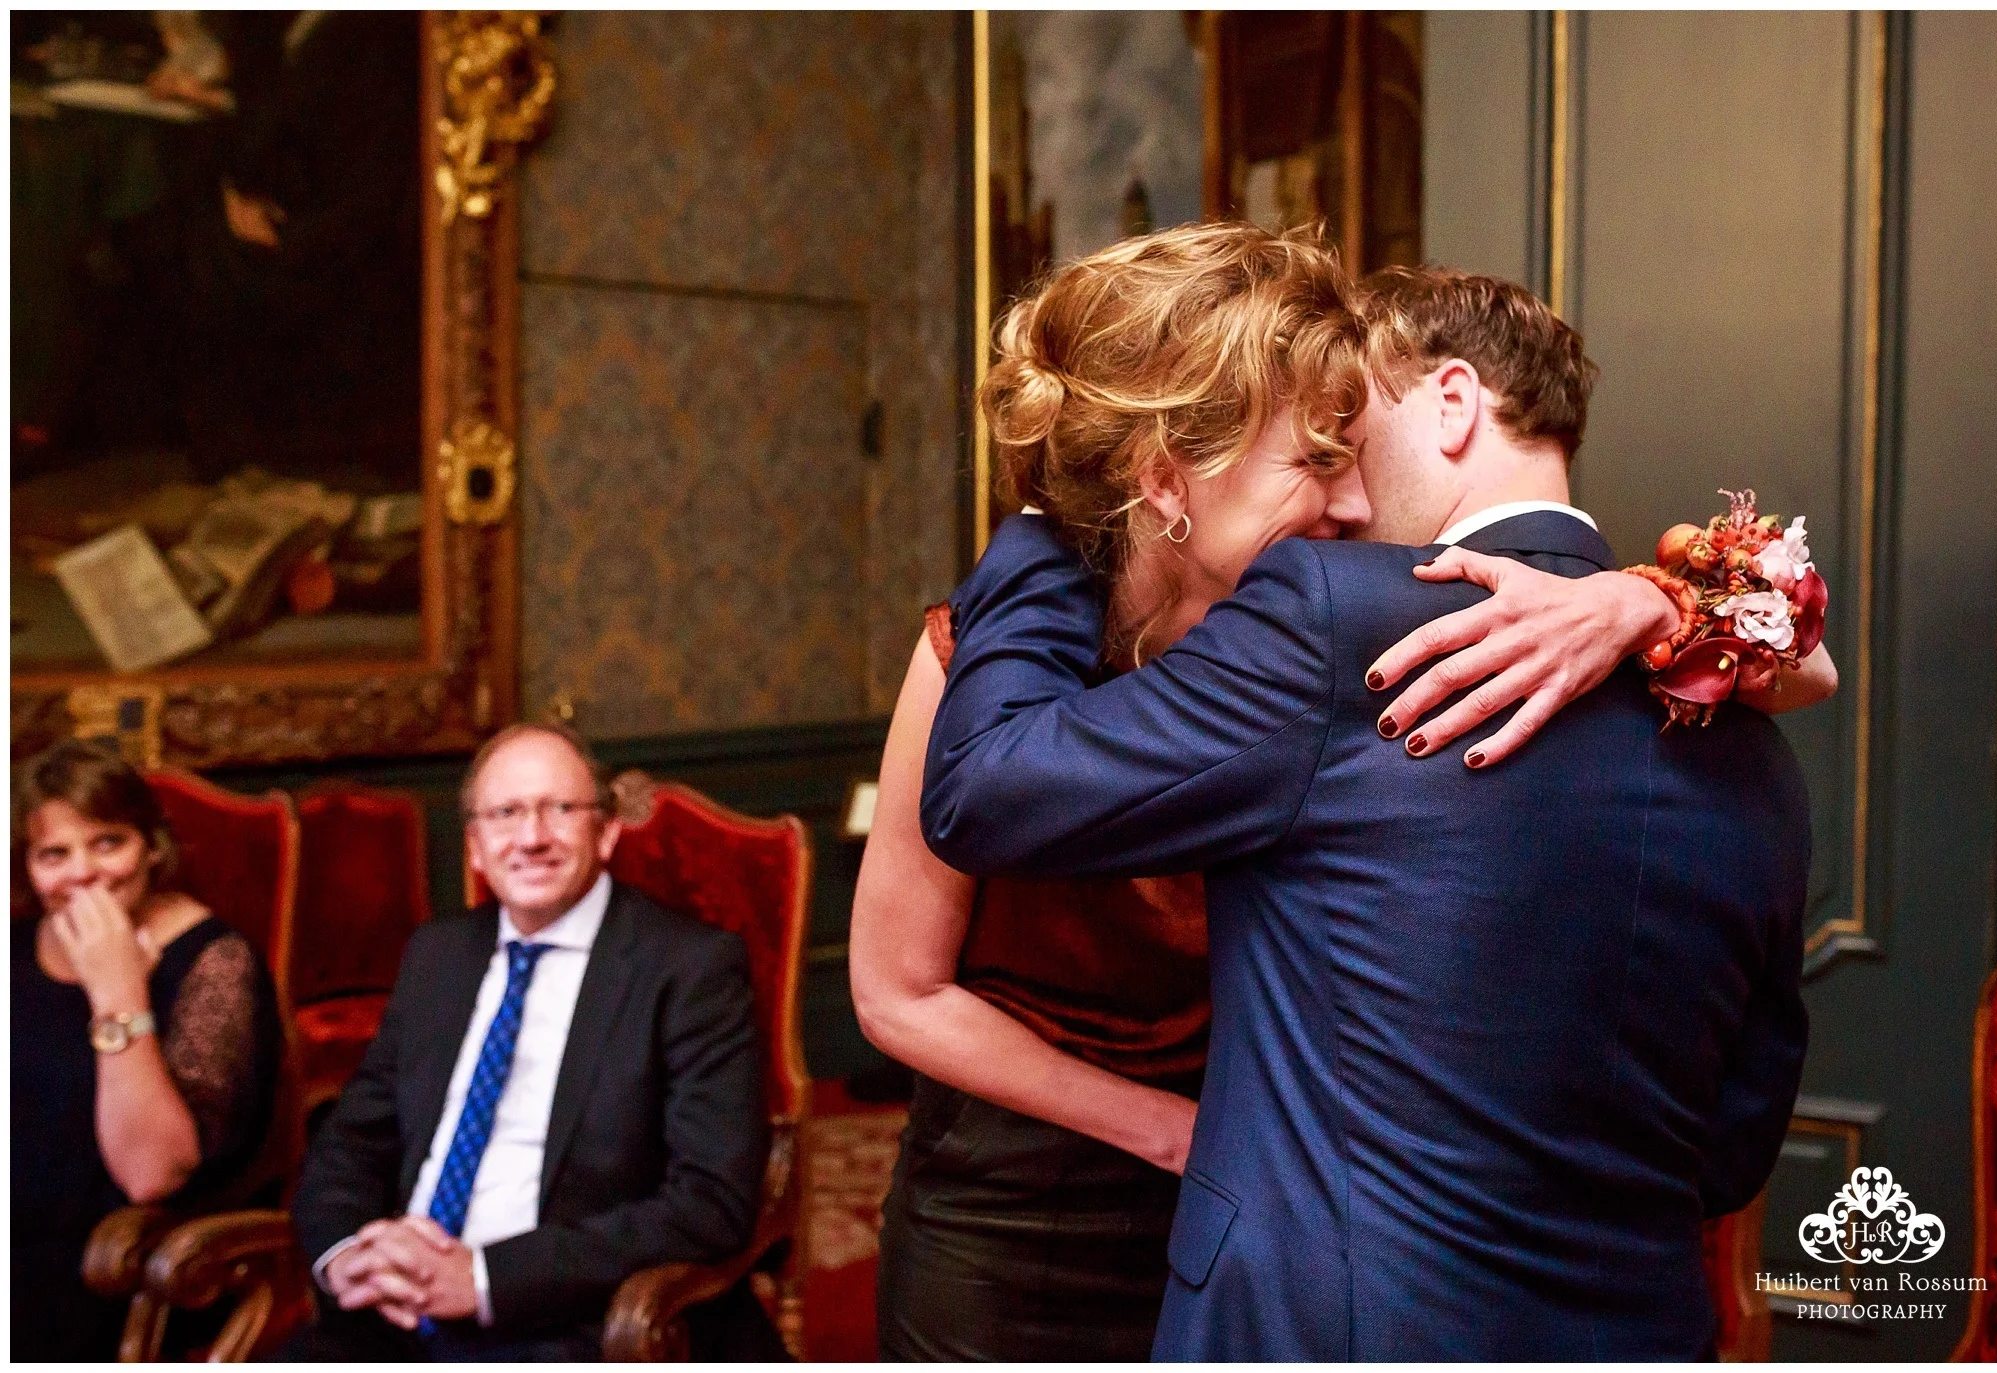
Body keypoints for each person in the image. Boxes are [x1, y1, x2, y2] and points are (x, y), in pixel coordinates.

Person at [852, 226, 1829, 1359]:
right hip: (1028, 1216)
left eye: (1349, 445)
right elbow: (1726, 1147)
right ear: (1164, 474)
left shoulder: (1361, 627)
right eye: (1319, 457)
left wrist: (1650, 601)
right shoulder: (1748, 739)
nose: (1355, 501)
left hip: (1285, 1251)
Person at [283, 722, 783, 1361]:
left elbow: (710, 1203)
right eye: (505, 814)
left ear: (605, 833)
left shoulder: (688, 969)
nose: (531, 838)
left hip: (569, 1318)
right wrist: (348, 1252)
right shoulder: (437, 957)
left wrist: (487, 1277)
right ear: (473, 846)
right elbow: (351, 1143)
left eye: (560, 810)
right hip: (397, 1311)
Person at [11, 738, 283, 1362]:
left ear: (152, 846)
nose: (82, 872)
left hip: (119, 1273)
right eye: (54, 853)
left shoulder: (215, 961)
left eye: (108, 842)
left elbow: (152, 1173)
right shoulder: (14, 948)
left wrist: (118, 991)